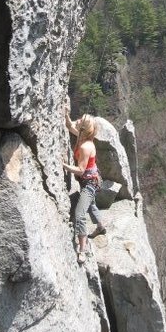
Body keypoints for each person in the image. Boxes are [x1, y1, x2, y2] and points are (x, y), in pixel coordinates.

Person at [63, 111, 106, 264]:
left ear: (85, 128)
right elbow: (69, 126)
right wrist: (67, 116)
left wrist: (64, 166)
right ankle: (101, 226)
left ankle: (83, 248)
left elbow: (81, 170)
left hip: (89, 183)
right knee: (91, 204)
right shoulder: (83, 136)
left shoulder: (86, 146)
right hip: (89, 180)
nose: (79, 119)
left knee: (80, 213)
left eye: (82, 119)